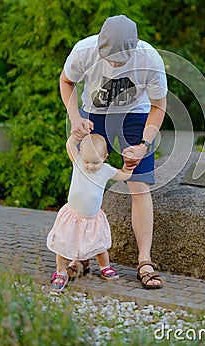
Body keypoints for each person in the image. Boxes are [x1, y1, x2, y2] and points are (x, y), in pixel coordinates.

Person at [59, 14, 167, 289]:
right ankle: (79, 258)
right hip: (94, 114)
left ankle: (144, 261)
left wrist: (143, 144)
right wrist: (75, 120)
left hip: (136, 115)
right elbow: (66, 82)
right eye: (109, 57)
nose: (115, 64)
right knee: (86, 178)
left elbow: (159, 106)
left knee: (139, 185)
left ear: (135, 47)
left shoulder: (150, 60)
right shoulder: (84, 51)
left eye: (120, 60)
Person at [47, 133, 133, 293]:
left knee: (99, 246)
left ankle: (105, 267)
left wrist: (129, 166)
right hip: (72, 216)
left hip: (93, 218)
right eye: (87, 161)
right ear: (81, 155)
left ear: (105, 157)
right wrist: (75, 136)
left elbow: (124, 175)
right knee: (63, 245)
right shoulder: (78, 162)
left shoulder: (106, 170)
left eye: (95, 162)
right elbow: (70, 146)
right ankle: (60, 273)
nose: (90, 166)